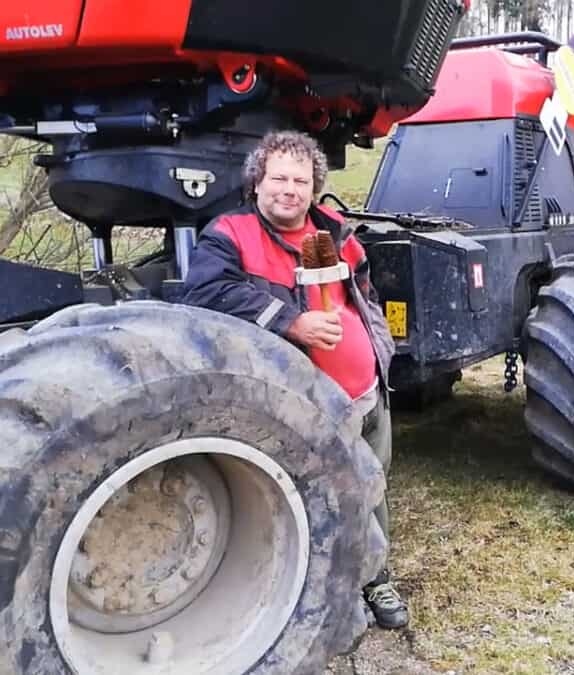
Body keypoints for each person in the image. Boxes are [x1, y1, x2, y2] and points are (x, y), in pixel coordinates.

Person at [179, 130, 408, 630]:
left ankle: (377, 578)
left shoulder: (336, 232)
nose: (290, 188)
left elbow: (363, 297)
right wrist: (289, 321)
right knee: (318, 495)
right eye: (278, 177)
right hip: (300, 405)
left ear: (314, 186)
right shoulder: (230, 234)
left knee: (373, 487)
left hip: (366, 393)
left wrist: (377, 351)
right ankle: (326, 588)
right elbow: (205, 293)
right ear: (257, 183)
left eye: (301, 180)